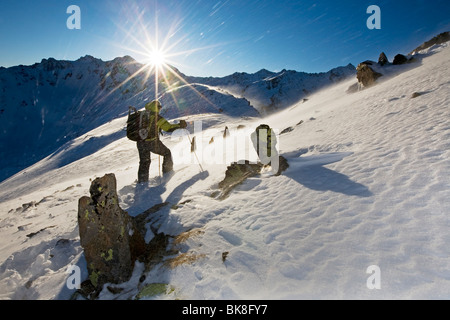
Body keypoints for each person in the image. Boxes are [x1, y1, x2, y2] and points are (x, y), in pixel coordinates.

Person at [137, 100, 187, 183]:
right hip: (152, 142)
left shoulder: (142, 114)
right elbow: (168, 128)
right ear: (156, 107)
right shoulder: (156, 117)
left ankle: (142, 181)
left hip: (140, 142)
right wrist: (180, 125)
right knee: (167, 153)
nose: (160, 109)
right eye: (159, 107)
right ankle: (168, 174)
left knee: (144, 162)